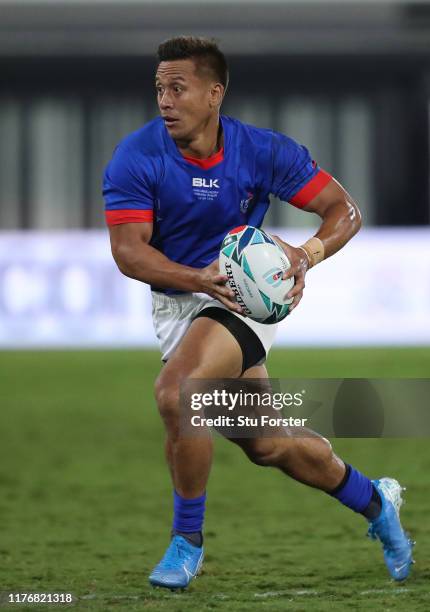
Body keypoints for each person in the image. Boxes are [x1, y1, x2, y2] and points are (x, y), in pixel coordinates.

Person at [103, 36, 413, 590]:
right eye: (159, 89)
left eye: (178, 88)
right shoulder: (138, 155)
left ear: (215, 93)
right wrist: (196, 279)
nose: (165, 101)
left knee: (179, 394)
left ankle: (186, 541)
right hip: (182, 297)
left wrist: (304, 254)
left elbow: (343, 210)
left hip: (245, 299)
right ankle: (376, 502)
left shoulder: (262, 151)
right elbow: (129, 252)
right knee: (270, 444)